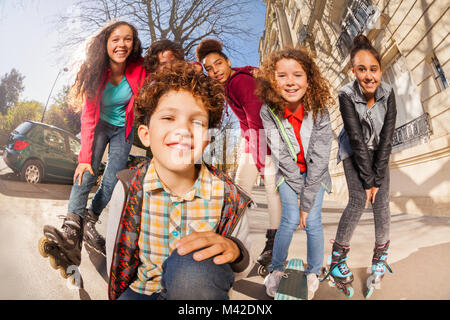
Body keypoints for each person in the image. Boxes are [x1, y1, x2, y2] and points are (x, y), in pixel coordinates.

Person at [106, 61, 253, 300]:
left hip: (195, 293)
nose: (183, 129)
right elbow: (116, 254)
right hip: (141, 291)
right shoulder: (127, 187)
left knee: (192, 269)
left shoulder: (230, 197)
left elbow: (243, 268)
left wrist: (235, 250)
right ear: (145, 135)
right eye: (168, 117)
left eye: (196, 122)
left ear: (206, 140)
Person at [39, 21, 146, 275]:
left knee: (112, 181)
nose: (122, 44)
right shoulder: (95, 70)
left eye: (128, 39)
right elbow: (87, 116)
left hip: (124, 130)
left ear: (134, 43)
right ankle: (71, 229)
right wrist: (85, 157)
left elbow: (167, 70)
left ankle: (90, 218)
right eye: (116, 39)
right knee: (85, 171)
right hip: (98, 125)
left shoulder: (140, 68)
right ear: (106, 43)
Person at [255, 48, 334, 299]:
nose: (290, 82)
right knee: (289, 219)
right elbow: (281, 154)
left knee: (312, 222)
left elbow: (320, 158)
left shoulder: (319, 110)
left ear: (309, 79)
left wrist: (307, 200)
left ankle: (313, 272)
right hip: (288, 173)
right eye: (282, 76)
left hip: (315, 175)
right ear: (272, 80)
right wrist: (299, 197)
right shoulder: (268, 111)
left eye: (297, 75)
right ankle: (276, 270)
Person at [195, 39, 282, 269]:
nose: (215, 71)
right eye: (209, 69)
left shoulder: (239, 81)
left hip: (266, 140)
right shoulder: (230, 83)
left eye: (218, 64)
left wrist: (261, 158)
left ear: (228, 62)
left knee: (272, 191)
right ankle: (232, 241)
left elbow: (256, 117)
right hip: (251, 140)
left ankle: (273, 246)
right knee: (239, 192)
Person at [324, 34, 397, 297]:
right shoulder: (346, 93)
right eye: (361, 69)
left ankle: (380, 257)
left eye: (373, 69)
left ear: (380, 69)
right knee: (357, 200)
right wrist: (368, 182)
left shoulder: (388, 93)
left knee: (382, 200)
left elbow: (387, 136)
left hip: (379, 151)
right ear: (354, 71)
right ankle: (336, 262)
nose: (368, 76)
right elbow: (355, 137)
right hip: (353, 149)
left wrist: (377, 180)